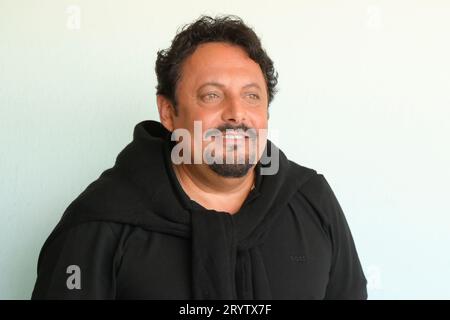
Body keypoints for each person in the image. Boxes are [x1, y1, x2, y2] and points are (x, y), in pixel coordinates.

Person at [32, 15, 367, 299]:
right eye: (211, 95)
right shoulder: (98, 226)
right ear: (168, 112)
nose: (236, 114)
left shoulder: (312, 200)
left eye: (251, 96)